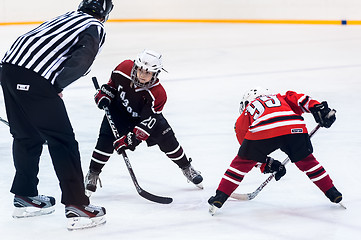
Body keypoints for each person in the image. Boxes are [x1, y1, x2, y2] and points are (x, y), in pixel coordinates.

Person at [0, 0, 114, 230]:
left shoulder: (67, 17)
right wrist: (56, 85)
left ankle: (25, 196)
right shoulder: (95, 26)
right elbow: (82, 61)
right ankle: (77, 205)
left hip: (8, 69)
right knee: (63, 141)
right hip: (34, 77)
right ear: (105, 14)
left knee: (26, 136)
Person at [84, 49, 203, 196]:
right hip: (118, 113)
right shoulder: (123, 68)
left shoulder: (158, 94)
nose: (142, 75)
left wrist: (130, 140)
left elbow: (147, 124)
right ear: (135, 66)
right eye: (140, 70)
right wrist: (104, 94)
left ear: (156, 74)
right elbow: (112, 86)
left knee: (168, 138)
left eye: (148, 73)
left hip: (145, 120)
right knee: (105, 141)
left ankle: (186, 167)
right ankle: (93, 173)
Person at [208, 87, 342, 213]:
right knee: (308, 162)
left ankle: (220, 197)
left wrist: (267, 164)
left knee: (241, 164)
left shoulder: (246, 112)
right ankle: (332, 192)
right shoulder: (280, 98)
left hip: (263, 129)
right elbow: (300, 99)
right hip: (293, 126)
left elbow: (249, 153)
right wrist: (318, 109)